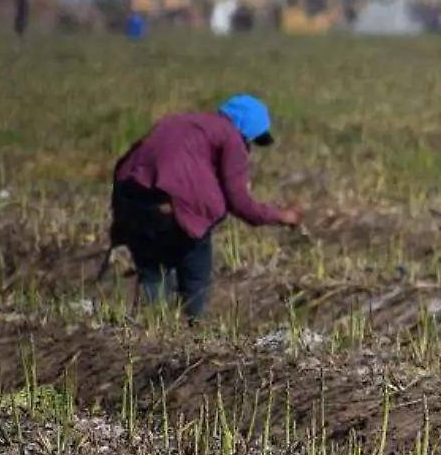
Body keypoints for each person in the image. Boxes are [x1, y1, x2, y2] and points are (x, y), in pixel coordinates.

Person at [109, 94, 301, 321]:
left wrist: (121, 220)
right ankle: (193, 329)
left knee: (152, 274)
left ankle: (152, 330)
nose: (249, 147)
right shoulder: (231, 137)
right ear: (246, 131)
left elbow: (128, 163)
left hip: (133, 203)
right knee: (195, 278)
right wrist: (281, 216)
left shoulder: (179, 121)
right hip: (175, 209)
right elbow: (240, 203)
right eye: (251, 140)